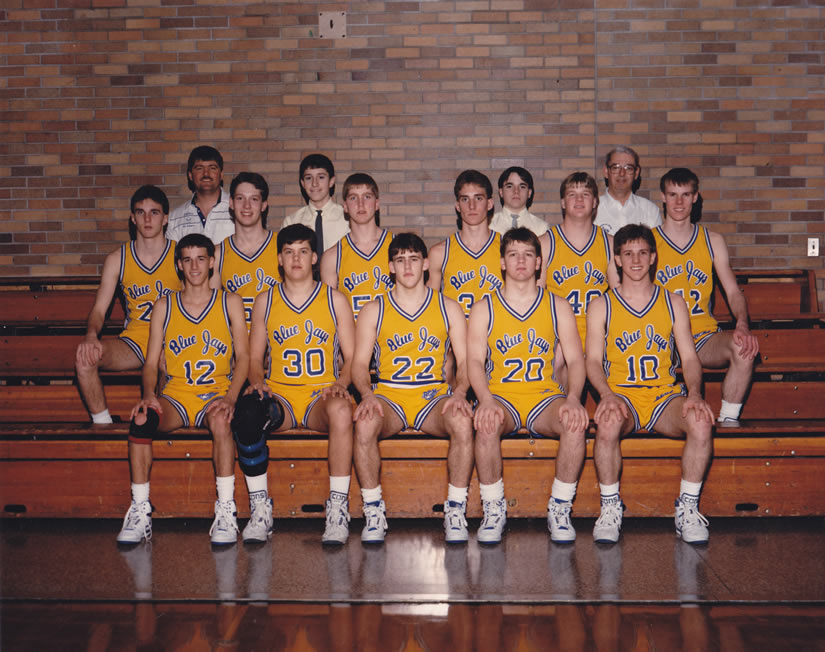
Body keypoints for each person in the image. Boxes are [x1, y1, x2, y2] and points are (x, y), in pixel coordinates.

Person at [585, 224, 715, 545]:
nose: (636, 260)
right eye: (627, 253)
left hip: (663, 398)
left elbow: (689, 358)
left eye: (643, 252)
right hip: (623, 397)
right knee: (608, 421)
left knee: (700, 420)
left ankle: (687, 508)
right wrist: (606, 395)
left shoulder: (673, 302)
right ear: (617, 260)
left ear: (654, 256)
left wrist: (695, 394)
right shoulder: (602, 304)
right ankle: (610, 507)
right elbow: (591, 361)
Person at [117, 234, 249, 545]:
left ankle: (226, 510)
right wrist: (149, 394)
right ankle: (139, 510)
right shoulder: (164, 305)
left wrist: (231, 397)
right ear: (178, 265)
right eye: (187, 259)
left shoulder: (229, 301)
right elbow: (150, 362)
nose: (194, 266)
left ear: (212, 262)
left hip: (215, 394)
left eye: (201, 258)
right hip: (176, 396)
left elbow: (244, 357)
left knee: (222, 420)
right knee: (140, 420)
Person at [236, 224, 356, 544]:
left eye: (303, 251)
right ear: (279, 259)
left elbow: (353, 359)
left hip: (321, 397)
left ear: (315, 257)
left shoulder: (335, 300)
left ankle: (338, 508)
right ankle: (260, 508)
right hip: (282, 398)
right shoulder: (265, 301)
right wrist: (258, 382)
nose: (296, 259)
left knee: (343, 412)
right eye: (289, 252)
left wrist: (342, 383)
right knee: (247, 412)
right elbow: (253, 359)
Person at [467, 228, 589, 544]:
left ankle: (560, 507)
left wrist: (574, 398)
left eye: (528, 254)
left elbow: (576, 361)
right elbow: (474, 363)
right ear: (503, 263)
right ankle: (493, 509)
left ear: (538, 263)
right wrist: (485, 399)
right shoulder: (484, 307)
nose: (521, 261)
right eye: (513, 254)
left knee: (575, 424)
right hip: (502, 396)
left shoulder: (558, 306)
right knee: (486, 423)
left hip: (544, 396)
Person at [352, 233, 474, 544]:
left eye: (414, 258)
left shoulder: (448, 307)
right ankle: (373, 510)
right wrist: (367, 395)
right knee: (364, 422)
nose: (407, 266)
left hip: (432, 397)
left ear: (426, 264)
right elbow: (357, 365)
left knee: (462, 419)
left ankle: (456, 509)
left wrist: (459, 393)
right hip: (390, 396)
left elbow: (467, 363)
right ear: (390, 267)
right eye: (400, 260)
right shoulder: (374, 309)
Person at [653, 168, 759, 427]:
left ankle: (728, 420)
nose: (679, 202)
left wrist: (742, 325)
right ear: (663, 198)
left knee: (744, 348)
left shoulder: (712, 241)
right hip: (660, 338)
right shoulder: (649, 241)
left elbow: (733, 291)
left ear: (696, 197)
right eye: (673, 194)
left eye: (686, 195)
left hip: (702, 336)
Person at [76, 185, 182, 425]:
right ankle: (103, 424)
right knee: (85, 357)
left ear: (165, 218)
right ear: (132, 218)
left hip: (172, 341)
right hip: (135, 341)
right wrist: (91, 335)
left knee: (168, 363)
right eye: (140, 212)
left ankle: (162, 426)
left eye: (154, 212)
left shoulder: (181, 256)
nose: (147, 219)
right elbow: (99, 310)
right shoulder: (117, 259)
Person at [542, 172, 619, 347]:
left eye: (585, 194)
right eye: (572, 195)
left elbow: (619, 300)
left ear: (595, 202)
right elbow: (536, 302)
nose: (578, 200)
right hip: (558, 340)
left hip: (600, 338)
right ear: (562, 202)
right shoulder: (546, 243)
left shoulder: (610, 243)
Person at [428, 170, 505, 317]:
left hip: (498, 338)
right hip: (456, 338)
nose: (471, 206)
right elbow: (430, 309)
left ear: (489, 204)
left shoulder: (507, 249)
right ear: (457, 206)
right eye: (465, 199)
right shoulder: (440, 253)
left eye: (478, 199)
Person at [320, 172, 393, 319]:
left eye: (367, 197)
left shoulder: (397, 247)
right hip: (354, 340)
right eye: (353, 198)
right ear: (345, 207)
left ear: (377, 204)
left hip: (396, 339)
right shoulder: (332, 257)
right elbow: (329, 314)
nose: (361, 204)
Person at [211, 172, 279, 328]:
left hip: (275, 345)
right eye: (240, 198)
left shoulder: (281, 247)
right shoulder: (218, 253)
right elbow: (213, 311)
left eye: (254, 199)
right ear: (231, 203)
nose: (246, 206)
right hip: (235, 345)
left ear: (263, 205)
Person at [282, 153, 349, 256]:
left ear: (331, 181)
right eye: (308, 178)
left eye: (321, 177)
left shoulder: (347, 220)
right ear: (302, 183)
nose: (314, 183)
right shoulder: (291, 221)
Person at [167, 146, 233, 244]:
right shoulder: (175, 218)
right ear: (190, 175)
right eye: (199, 168)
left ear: (221, 174)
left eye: (212, 168)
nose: (206, 173)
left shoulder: (237, 209)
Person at [594, 146, 661, 236]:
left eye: (628, 168)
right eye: (616, 167)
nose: (622, 173)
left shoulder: (650, 210)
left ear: (636, 173)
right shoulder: (592, 209)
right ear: (606, 171)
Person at [490, 166, 549, 237]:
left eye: (522, 186)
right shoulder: (489, 225)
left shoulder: (541, 228)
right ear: (501, 192)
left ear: (529, 193)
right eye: (509, 186)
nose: (516, 191)